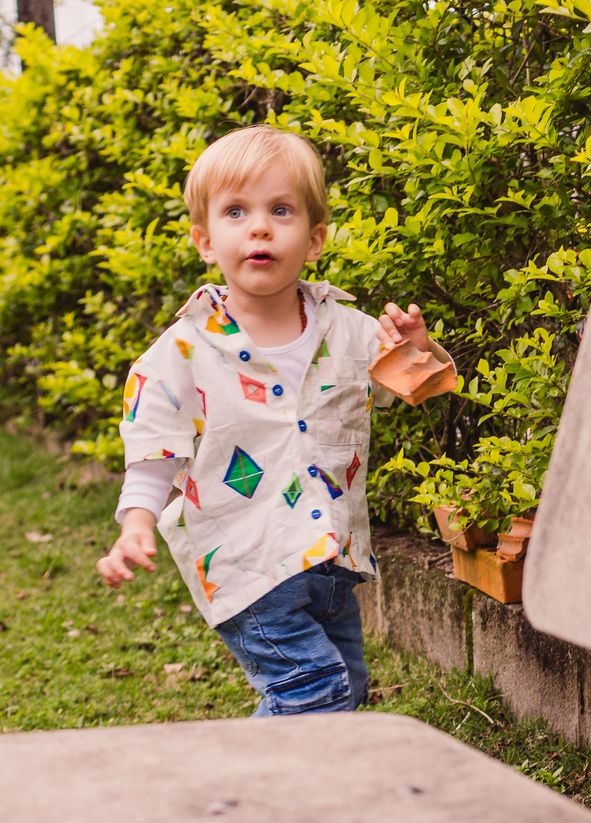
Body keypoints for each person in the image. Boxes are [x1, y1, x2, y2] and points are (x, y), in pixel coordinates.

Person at [95, 125, 455, 715]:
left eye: (280, 210)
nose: (259, 227)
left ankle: (285, 774)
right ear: (205, 241)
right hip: (246, 564)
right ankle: (247, 776)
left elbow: (424, 386)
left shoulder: (351, 331)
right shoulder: (181, 354)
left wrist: (416, 349)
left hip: (332, 556)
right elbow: (154, 448)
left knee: (345, 687)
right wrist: (136, 523)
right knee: (313, 690)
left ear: (313, 241)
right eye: (236, 212)